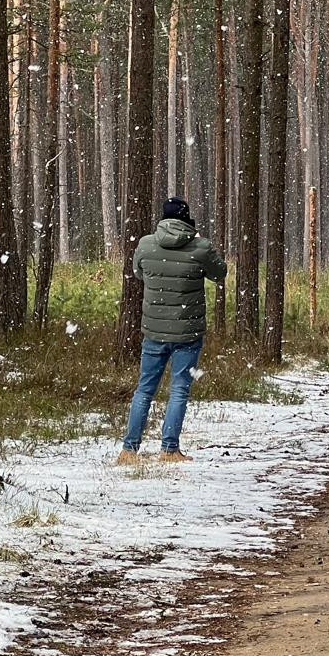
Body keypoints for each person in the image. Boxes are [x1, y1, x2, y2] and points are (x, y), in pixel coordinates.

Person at [118, 197, 228, 464]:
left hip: (153, 330)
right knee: (179, 390)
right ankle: (169, 449)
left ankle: (129, 450)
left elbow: (139, 273)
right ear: (186, 218)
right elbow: (220, 273)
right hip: (187, 333)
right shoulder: (200, 247)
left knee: (144, 389)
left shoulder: (145, 244)